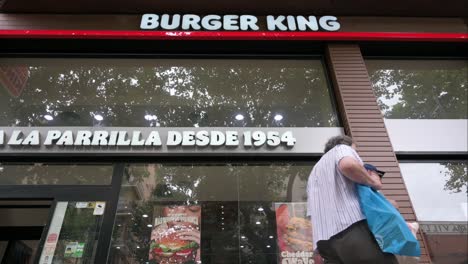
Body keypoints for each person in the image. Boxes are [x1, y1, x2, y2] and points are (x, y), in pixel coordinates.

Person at [307, 135, 397, 264]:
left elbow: (311, 212)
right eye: (355, 151)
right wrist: (373, 182)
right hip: (352, 229)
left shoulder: (314, 172)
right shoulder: (341, 148)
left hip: (325, 242)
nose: (356, 154)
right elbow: (348, 165)